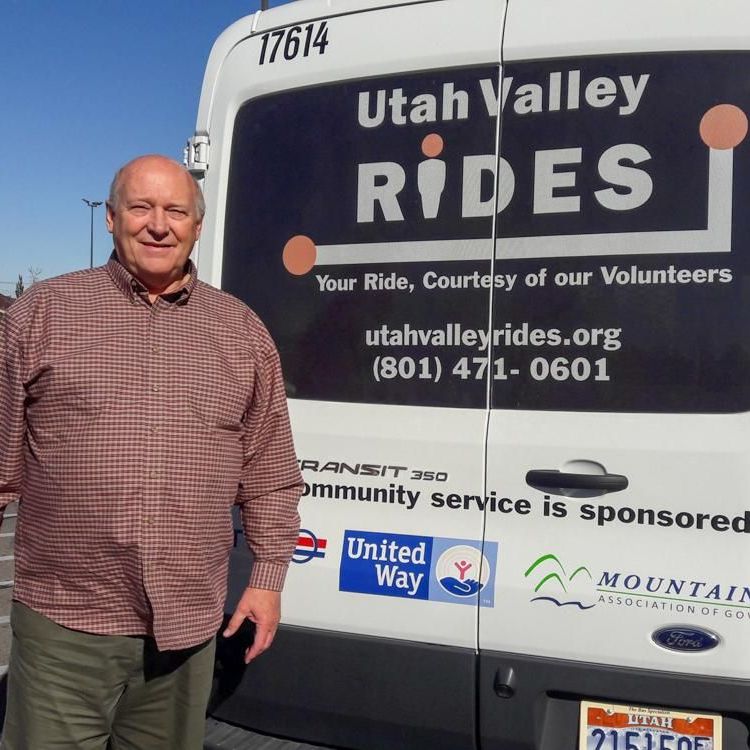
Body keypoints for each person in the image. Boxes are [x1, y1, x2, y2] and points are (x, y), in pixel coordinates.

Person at [0, 155, 303, 749]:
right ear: (111, 219)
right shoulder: (43, 313)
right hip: (68, 624)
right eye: (141, 208)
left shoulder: (241, 332)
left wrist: (266, 579)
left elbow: (270, 473)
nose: (157, 225)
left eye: (175, 211)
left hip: (186, 632)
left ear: (197, 225)